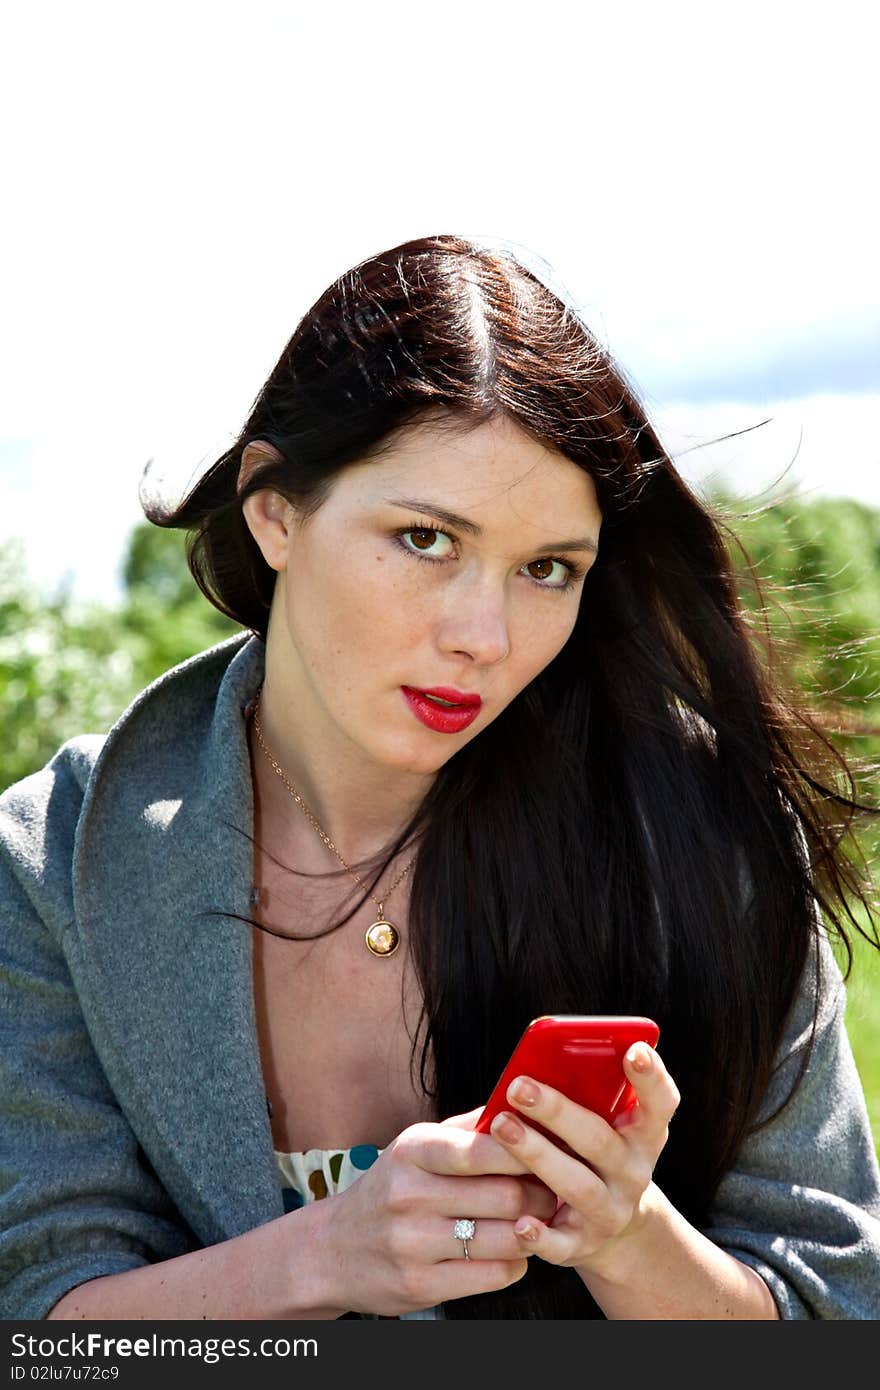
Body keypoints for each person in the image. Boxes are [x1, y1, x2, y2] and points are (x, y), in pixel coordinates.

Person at [2, 234, 879, 1322]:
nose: (484, 635)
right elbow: (39, 1323)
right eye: (425, 538)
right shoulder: (54, 865)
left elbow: (841, 1316)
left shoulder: (704, 848)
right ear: (273, 509)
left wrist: (628, 1236)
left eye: (545, 568)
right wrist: (321, 1257)